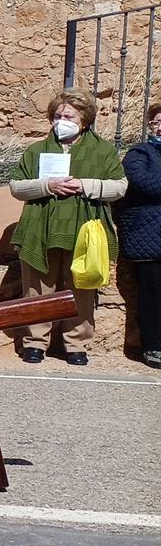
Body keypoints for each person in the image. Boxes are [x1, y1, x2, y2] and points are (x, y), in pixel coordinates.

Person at [10, 90, 126, 366]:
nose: (62, 121)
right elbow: (16, 186)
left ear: (84, 121)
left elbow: (120, 186)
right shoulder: (37, 150)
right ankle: (35, 342)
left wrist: (85, 185)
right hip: (41, 227)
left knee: (81, 286)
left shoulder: (103, 151)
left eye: (69, 116)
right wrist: (46, 186)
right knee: (37, 288)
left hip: (84, 227)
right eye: (58, 116)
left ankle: (76, 344)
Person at [119, 102, 161, 370]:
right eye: (158, 121)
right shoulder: (139, 153)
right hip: (150, 237)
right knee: (153, 293)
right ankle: (154, 346)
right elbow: (143, 183)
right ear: (151, 126)